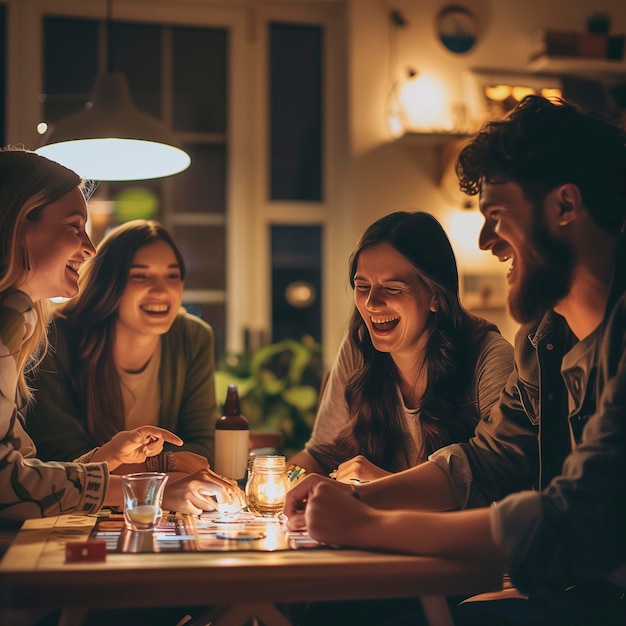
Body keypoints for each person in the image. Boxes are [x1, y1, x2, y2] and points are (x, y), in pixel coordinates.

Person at [284, 95, 626, 626]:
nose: (486, 241)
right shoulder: (542, 340)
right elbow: (487, 461)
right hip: (566, 590)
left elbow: (576, 518)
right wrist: (359, 499)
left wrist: (368, 524)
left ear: (564, 207)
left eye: (497, 216)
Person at [0, 147, 240, 521]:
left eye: (173, 275)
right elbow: (12, 484)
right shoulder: (30, 326)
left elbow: (27, 471)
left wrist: (106, 457)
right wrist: (151, 491)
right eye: (73, 227)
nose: (88, 248)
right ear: (20, 222)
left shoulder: (20, 318)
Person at [288, 211, 513, 482]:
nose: (371, 304)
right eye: (362, 286)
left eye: (392, 289)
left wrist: (382, 485)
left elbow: (499, 479)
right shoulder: (359, 346)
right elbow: (319, 455)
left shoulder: (488, 356)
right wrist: (282, 480)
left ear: (435, 296)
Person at [27, 219, 219, 476]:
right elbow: (65, 459)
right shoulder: (53, 337)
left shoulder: (193, 336)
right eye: (140, 275)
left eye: (172, 275)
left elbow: (202, 449)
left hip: (159, 502)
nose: (161, 290)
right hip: (80, 506)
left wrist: (131, 465)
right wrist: (166, 464)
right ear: (109, 283)